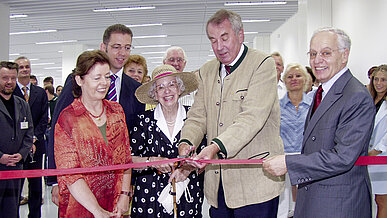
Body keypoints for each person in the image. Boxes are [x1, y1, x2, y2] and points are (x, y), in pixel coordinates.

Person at [174, 9, 284, 218]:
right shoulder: (207, 71)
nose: (219, 47)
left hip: (256, 186)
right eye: (213, 40)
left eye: (224, 38)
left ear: (240, 34)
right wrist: (186, 143)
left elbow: (252, 118)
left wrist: (214, 147)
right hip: (218, 188)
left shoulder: (262, 64)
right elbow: (198, 116)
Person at [263, 27, 375, 218]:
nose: (317, 60)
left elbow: (343, 157)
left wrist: (289, 163)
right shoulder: (321, 93)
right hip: (315, 199)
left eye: (325, 53)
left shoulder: (356, 97)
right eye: (313, 54)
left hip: (339, 204)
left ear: (344, 55)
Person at [47, 24, 145, 206]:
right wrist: (54, 180)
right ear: (103, 47)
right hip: (80, 182)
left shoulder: (136, 90)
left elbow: (133, 141)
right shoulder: (78, 82)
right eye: (116, 47)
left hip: (117, 184)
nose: (122, 53)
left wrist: (128, 184)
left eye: (127, 47)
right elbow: (58, 129)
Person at [54, 50, 132, 217]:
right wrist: (98, 212)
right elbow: (71, 175)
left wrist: (125, 195)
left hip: (115, 204)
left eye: (107, 76)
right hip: (80, 207)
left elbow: (126, 158)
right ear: (79, 80)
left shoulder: (116, 111)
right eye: (97, 78)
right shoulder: (67, 119)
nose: (104, 83)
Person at [130, 64, 205, 217]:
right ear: (154, 94)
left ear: (180, 89)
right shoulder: (143, 120)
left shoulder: (194, 117)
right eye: (160, 87)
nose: (167, 91)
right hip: (148, 198)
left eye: (172, 84)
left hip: (186, 195)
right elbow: (129, 159)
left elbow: (205, 157)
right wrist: (151, 161)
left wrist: (187, 168)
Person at [14, 56, 48, 218]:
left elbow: (43, 119)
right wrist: (24, 142)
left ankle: (35, 215)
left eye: (27, 66)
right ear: (16, 70)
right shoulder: (9, 91)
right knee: (16, 185)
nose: (25, 69)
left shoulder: (40, 93)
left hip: (36, 146)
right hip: (17, 147)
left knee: (35, 186)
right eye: (21, 67)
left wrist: (34, 138)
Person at [277, 64, 312, 218]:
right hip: (284, 157)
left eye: (298, 76)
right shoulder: (277, 107)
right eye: (290, 77)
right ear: (284, 81)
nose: (294, 79)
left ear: (305, 79)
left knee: (306, 199)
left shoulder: (314, 106)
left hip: (307, 157)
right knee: (283, 203)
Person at [0, 61, 33, 218]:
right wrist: (1, 157)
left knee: (12, 211)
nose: (9, 82)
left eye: (13, 78)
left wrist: (21, 154)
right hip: (0, 165)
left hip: (15, 168)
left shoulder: (22, 104)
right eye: (5, 78)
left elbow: (29, 133)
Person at [368, 65, 387, 218]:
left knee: (382, 200)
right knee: (370, 198)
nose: (379, 83)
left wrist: (377, 150)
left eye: (383, 80)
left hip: (382, 158)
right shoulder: (369, 99)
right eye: (376, 79)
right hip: (366, 157)